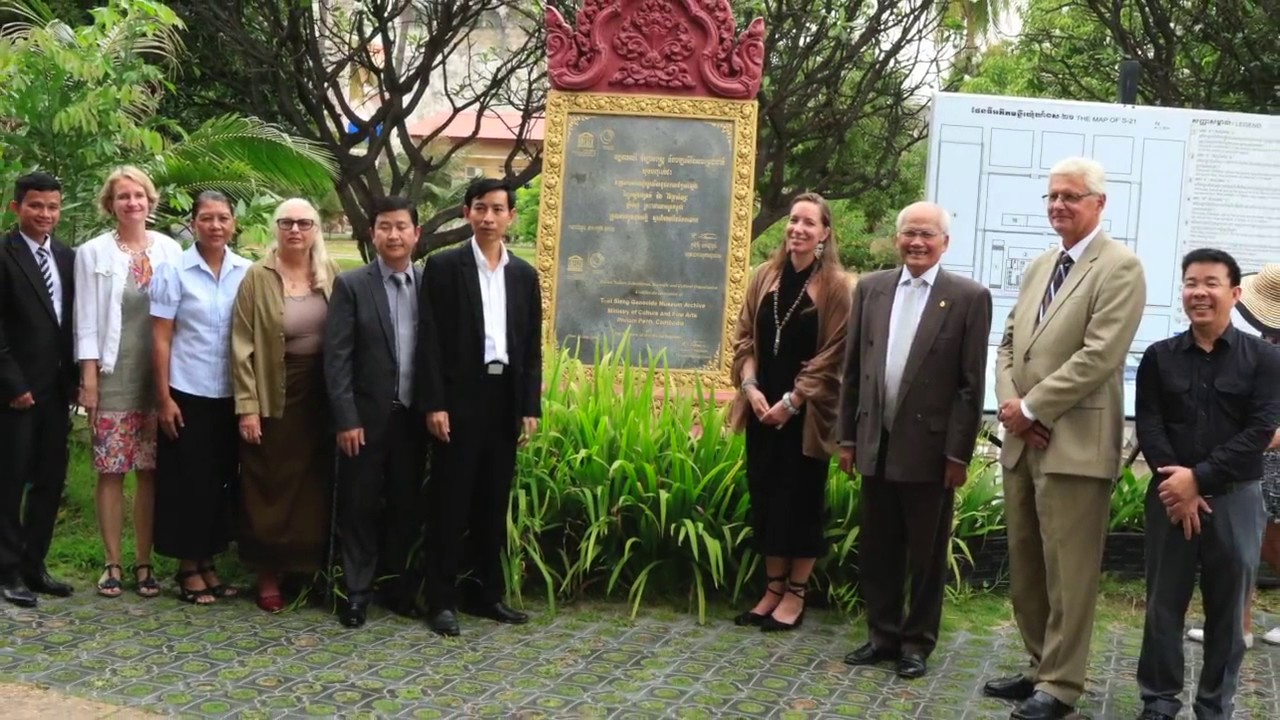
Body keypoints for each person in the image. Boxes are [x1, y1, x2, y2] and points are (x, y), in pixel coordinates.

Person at [983, 156, 1146, 720]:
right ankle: (1037, 666)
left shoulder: (1119, 267)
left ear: (1099, 204)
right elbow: (1008, 344)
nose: (1058, 206)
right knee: (1028, 562)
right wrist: (1013, 407)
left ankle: (1062, 685)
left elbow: (1100, 355)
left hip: (1073, 444)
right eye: (1052, 196)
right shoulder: (1039, 266)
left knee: (1069, 570)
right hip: (1024, 441)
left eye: (1071, 197)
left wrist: (1031, 406)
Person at [837, 201, 992, 678]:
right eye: (909, 234)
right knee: (879, 548)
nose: (917, 243)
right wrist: (847, 439)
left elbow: (970, 386)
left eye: (927, 235)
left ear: (945, 242)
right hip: (874, 444)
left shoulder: (967, 297)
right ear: (897, 239)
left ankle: (916, 643)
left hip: (931, 451)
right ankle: (881, 636)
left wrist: (957, 454)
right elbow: (852, 373)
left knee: (926, 555)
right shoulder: (872, 288)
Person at [1133, 249, 1280, 720]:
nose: (1199, 292)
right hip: (1168, 498)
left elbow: (1259, 431)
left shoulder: (1264, 359)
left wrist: (1198, 479)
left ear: (1234, 294)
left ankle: (1215, 705)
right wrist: (1178, 486)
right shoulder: (1159, 357)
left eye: (1211, 283)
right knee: (1162, 607)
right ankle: (1159, 701)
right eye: (1191, 282)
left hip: (1236, 499)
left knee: (1228, 615)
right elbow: (1150, 426)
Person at [416, 178, 542, 637]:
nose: (489, 217)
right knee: (450, 502)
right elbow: (429, 341)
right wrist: (434, 403)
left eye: (498, 209)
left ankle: (487, 594)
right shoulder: (444, 267)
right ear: (466, 212)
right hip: (458, 400)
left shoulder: (524, 276)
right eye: (480, 208)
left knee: (493, 500)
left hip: (503, 398)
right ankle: (442, 600)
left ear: (510, 216)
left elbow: (530, 349)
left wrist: (530, 405)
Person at [728, 192, 852, 633]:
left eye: (809, 223)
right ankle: (773, 587)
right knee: (765, 497)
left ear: (824, 234)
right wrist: (751, 388)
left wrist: (791, 402)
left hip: (805, 418)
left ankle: (796, 593)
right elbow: (743, 338)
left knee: (800, 503)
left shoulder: (838, 286)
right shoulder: (765, 276)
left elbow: (835, 355)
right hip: (762, 410)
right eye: (794, 220)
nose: (798, 228)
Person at [74, 166, 183, 599]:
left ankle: (145, 563)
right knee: (112, 472)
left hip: (159, 381)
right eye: (123, 196)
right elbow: (84, 319)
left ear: (150, 200)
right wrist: (88, 381)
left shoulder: (171, 250)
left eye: (138, 195)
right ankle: (112, 564)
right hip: (112, 376)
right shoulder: (93, 252)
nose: (132, 203)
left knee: (151, 473)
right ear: (110, 204)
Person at [231, 198, 340, 613]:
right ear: (276, 228)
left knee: (311, 483)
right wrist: (248, 406)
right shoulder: (257, 277)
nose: (295, 230)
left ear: (316, 229)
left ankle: (303, 568)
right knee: (268, 481)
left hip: (319, 394)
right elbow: (241, 345)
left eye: (304, 223)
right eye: (287, 222)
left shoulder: (329, 274)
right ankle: (266, 573)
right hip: (273, 390)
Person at [324, 196, 427, 628]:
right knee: (360, 507)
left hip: (413, 419)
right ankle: (357, 594)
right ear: (373, 233)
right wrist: (346, 419)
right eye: (385, 226)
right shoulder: (352, 285)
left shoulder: (428, 283)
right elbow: (337, 358)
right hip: (364, 421)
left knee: (405, 506)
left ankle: (398, 590)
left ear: (416, 234)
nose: (394, 235)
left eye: (402, 226)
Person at [150, 191, 252, 604]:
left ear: (233, 224)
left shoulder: (246, 271)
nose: (215, 225)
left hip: (229, 392)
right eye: (206, 218)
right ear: (193, 224)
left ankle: (209, 564)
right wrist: (163, 399)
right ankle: (187, 568)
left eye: (223, 218)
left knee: (219, 480)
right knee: (187, 482)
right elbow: (160, 337)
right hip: (186, 390)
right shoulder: (173, 270)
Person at [1185, 264, 1280, 649]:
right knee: (1251, 544)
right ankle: (1233, 624)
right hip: (1257, 460)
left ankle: (1235, 627)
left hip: (1261, 462)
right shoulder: (1264, 345)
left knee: (1245, 544)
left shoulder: (1264, 350)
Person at [0, 172, 77, 607]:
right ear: (16, 208)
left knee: (50, 480)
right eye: (35, 206)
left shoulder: (67, 257)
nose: (45, 214)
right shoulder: (4, 254)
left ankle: (35, 565)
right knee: (10, 482)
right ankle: (7, 570)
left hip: (56, 392)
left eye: (52, 206)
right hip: (15, 393)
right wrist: (13, 383)